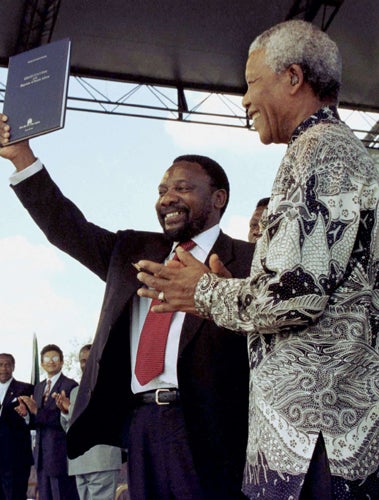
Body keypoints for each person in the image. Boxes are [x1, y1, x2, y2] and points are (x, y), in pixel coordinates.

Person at [134, 20, 379, 499]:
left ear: (292, 78)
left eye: (251, 83)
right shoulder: (344, 154)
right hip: (330, 435)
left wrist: (203, 292)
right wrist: (226, 290)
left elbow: (299, 296)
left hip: (314, 442)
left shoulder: (316, 153)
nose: (245, 100)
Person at [0, 128, 254, 500]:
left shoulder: (250, 260)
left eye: (181, 188)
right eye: (162, 191)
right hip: (141, 424)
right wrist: (22, 156)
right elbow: (64, 227)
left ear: (219, 198)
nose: (168, 198)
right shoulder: (132, 251)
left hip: (212, 428)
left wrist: (225, 295)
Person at [54, 344, 122, 500]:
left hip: (102, 461)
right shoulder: (75, 391)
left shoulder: (112, 386)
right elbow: (69, 428)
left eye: (88, 359)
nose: (85, 364)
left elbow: (100, 420)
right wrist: (65, 412)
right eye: (82, 360)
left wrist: (70, 409)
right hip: (80, 463)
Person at [19, 344, 79, 500]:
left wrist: (37, 412)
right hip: (40, 456)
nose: (51, 362)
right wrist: (27, 415)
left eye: (55, 358)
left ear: (61, 362)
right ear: (42, 363)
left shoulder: (70, 385)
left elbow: (65, 419)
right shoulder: (38, 388)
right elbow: (37, 420)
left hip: (60, 455)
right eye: (47, 358)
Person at [0, 353, 34, 500]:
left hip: (17, 458)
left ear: (13, 367)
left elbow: (35, 419)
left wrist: (26, 415)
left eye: (7, 364)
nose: (3, 368)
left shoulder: (26, 389)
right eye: (0, 364)